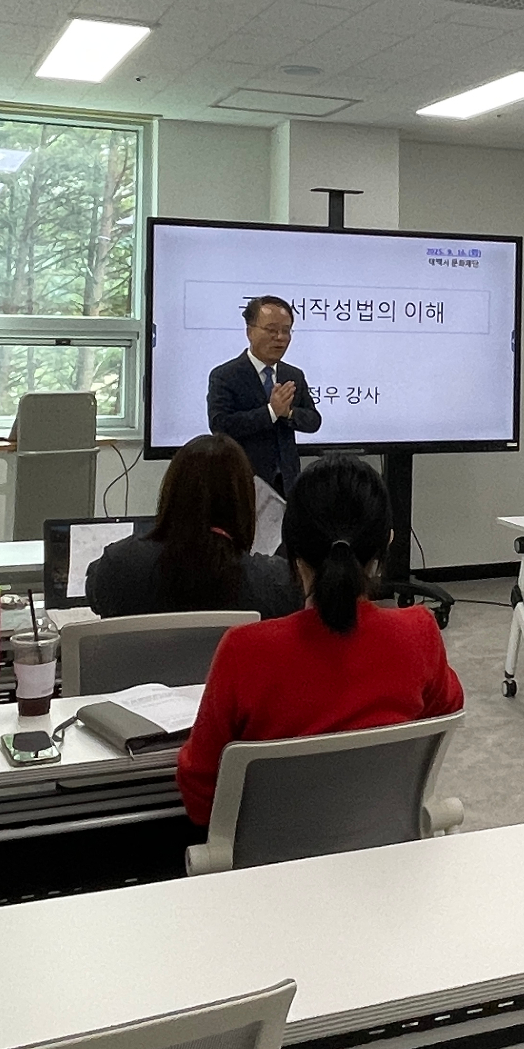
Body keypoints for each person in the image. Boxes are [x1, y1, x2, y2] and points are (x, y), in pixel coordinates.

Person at [176, 455, 464, 826]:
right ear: (386, 542)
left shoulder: (243, 650)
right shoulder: (419, 633)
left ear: (290, 547)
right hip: (385, 849)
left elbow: (200, 798)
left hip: (270, 858)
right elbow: (439, 721)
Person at [87, 435, 299, 620]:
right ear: (244, 502)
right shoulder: (275, 583)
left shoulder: (118, 567)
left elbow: (96, 598)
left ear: (171, 492)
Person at [207, 295, 321, 495]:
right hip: (243, 480)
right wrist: (270, 412)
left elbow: (313, 420)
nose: (280, 337)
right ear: (250, 332)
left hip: (287, 482)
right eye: (271, 330)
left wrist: (288, 413)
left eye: (286, 330)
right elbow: (220, 425)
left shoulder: (293, 375)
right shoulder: (225, 375)